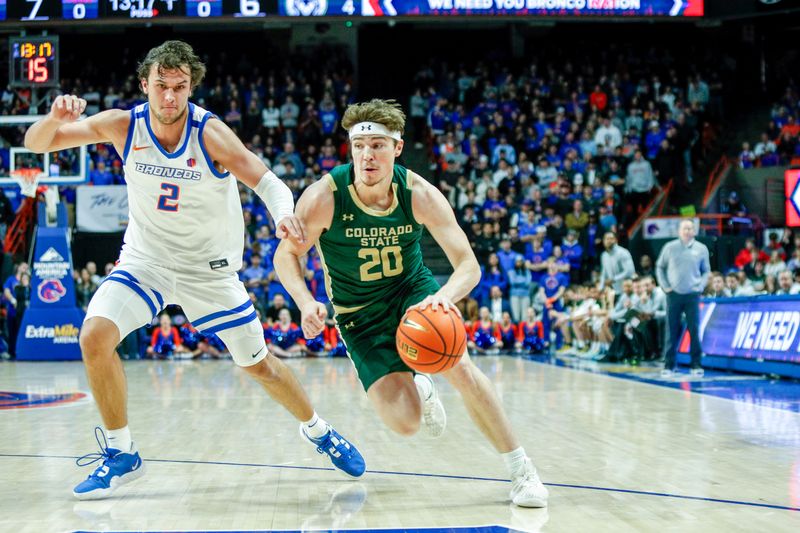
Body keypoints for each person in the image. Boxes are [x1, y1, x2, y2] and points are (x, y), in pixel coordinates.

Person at [24, 41, 364, 500]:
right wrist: (52, 120)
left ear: (191, 87)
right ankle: (123, 453)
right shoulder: (123, 125)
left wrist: (284, 214)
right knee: (93, 338)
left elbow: (268, 181)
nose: (169, 97)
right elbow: (35, 144)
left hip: (209, 271)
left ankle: (318, 430)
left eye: (179, 87)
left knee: (259, 366)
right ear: (144, 84)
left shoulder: (210, 134)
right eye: (161, 86)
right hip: (147, 261)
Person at [273, 99, 548, 508]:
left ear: (397, 148)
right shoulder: (324, 197)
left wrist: (442, 298)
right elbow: (286, 255)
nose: (368, 154)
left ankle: (522, 470)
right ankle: (421, 382)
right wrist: (304, 299)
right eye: (361, 145)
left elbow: (468, 266)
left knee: (462, 368)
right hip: (357, 314)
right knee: (406, 424)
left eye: (379, 145)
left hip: (411, 293)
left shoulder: (418, 193)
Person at [656, 219, 710, 378]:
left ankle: (696, 364)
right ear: (679, 231)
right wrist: (665, 286)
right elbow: (660, 267)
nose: (687, 231)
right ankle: (669, 365)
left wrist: (700, 286)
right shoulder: (670, 247)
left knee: (694, 329)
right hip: (673, 294)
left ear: (694, 231)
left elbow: (706, 270)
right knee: (671, 330)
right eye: (684, 228)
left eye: (690, 228)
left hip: (692, 294)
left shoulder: (701, 249)